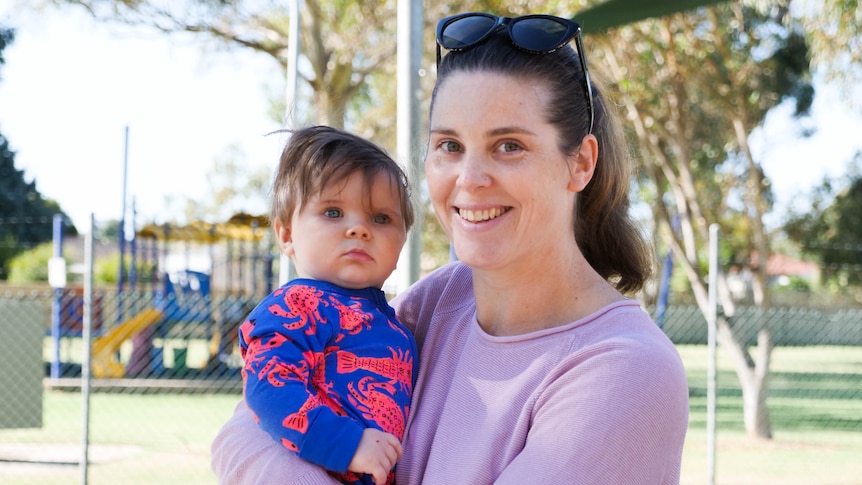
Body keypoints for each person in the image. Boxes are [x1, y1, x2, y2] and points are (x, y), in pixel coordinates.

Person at [213, 11, 689, 485]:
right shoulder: (442, 299)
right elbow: (246, 425)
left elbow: (263, 440)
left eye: (509, 146)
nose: (470, 179)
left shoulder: (627, 371)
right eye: (449, 145)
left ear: (580, 163)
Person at [235, 125, 417, 485]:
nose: (359, 229)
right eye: (333, 212)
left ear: (402, 242)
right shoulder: (294, 306)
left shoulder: (396, 323)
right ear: (287, 235)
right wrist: (347, 444)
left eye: (381, 218)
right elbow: (269, 386)